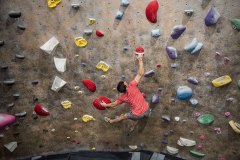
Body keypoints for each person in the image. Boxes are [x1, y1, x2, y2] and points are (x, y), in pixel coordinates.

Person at [100, 54, 151, 132]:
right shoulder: (132, 85)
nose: (125, 81)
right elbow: (140, 73)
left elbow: (113, 104)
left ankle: (111, 121)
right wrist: (140, 59)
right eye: (124, 82)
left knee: (124, 116)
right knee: (143, 100)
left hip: (136, 116)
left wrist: (104, 105)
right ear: (126, 85)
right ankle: (140, 119)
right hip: (147, 110)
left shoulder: (122, 97)